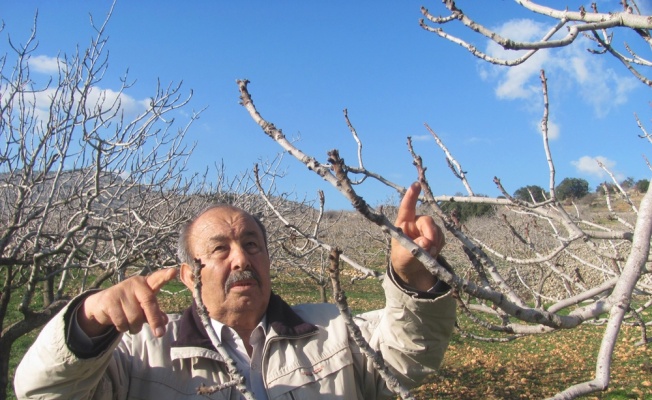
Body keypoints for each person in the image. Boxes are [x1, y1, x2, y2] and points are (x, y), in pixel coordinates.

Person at [15, 182, 456, 400]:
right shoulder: (141, 355)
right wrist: (89, 320)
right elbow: (40, 391)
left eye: (251, 246)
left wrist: (413, 277)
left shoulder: (334, 333)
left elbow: (407, 356)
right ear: (189, 275)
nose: (241, 259)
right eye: (220, 249)